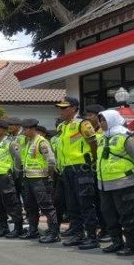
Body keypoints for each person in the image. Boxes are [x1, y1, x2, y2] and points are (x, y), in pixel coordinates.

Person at [55, 97, 100, 248]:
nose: (61, 111)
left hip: (81, 168)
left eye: (64, 108)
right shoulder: (64, 127)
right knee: (72, 205)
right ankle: (78, 234)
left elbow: (93, 143)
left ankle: (92, 237)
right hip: (67, 170)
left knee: (86, 204)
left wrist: (91, 162)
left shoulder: (83, 123)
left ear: (74, 108)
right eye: (60, 108)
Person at [96, 110, 134, 256]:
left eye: (104, 120)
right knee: (109, 215)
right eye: (100, 120)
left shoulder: (126, 137)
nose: (101, 123)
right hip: (104, 185)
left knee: (128, 215)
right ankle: (116, 242)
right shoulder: (103, 138)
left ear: (113, 120)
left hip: (124, 183)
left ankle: (131, 245)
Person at [21, 119, 60, 243]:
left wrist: (47, 176)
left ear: (33, 129)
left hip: (40, 179)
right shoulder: (28, 142)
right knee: (30, 206)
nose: (24, 131)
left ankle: (54, 233)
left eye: (26, 129)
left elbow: (51, 161)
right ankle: (33, 230)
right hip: (28, 178)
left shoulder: (41, 142)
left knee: (46, 206)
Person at [0, 119, 24, 238]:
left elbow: (18, 159)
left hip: (5, 177)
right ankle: (4, 227)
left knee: (11, 203)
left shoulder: (11, 143)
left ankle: (18, 228)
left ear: (4, 130)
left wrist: (16, 174)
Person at [84, 104, 112, 243]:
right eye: (87, 115)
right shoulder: (90, 130)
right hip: (94, 171)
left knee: (105, 203)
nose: (88, 118)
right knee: (96, 201)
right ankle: (103, 227)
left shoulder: (105, 131)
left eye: (91, 115)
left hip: (107, 173)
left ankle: (108, 230)